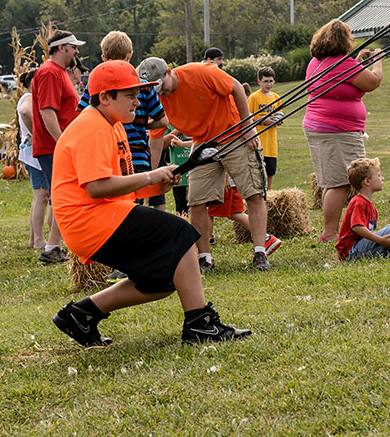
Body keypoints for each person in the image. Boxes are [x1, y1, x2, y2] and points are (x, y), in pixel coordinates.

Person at [50, 60, 250, 346]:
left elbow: (119, 183)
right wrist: (149, 176)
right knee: (181, 232)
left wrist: (158, 182)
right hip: (91, 221)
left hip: (104, 215)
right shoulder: (91, 127)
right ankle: (200, 324)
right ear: (105, 98)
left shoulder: (113, 125)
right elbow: (95, 187)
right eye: (131, 95)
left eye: (139, 93)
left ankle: (81, 314)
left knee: (161, 282)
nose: (140, 100)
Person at [137, 56, 275, 272]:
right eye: (154, 90)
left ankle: (260, 251)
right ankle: (205, 258)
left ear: (169, 72)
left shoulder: (201, 72)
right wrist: (155, 175)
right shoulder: (157, 98)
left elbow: (237, 87)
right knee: (196, 201)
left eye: (160, 86)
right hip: (202, 143)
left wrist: (247, 125)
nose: (160, 93)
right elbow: (155, 140)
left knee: (253, 193)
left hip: (233, 134)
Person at [79, 31, 168, 281]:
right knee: (135, 207)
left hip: (110, 153)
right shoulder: (144, 87)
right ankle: (136, 258)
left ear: (103, 56)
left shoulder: (97, 86)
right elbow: (163, 120)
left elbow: (82, 114)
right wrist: (142, 126)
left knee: (122, 208)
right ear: (130, 55)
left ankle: (129, 261)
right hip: (138, 153)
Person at [302, 19, 384, 242]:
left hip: (320, 127)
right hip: (337, 130)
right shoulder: (342, 64)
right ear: (345, 41)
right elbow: (372, 82)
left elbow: (345, 84)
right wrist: (378, 61)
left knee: (332, 181)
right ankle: (330, 233)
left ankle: (331, 230)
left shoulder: (316, 62)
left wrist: (357, 62)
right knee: (340, 182)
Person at [31, 30, 85, 264]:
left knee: (63, 196)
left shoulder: (59, 72)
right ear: (62, 48)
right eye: (74, 47)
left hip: (58, 146)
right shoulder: (50, 72)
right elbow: (47, 111)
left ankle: (54, 246)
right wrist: (63, 141)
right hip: (54, 147)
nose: (76, 51)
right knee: (65, 195)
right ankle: (52, 248)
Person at [17, 68, 58, 250]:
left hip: (31, 153)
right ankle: (40, 239)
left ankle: (34, 239)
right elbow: (26, 112)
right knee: (42, 197)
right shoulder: (28, 98)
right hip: (35, 154)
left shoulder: (29, 97)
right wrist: (37, 132)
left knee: (40, 197)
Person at [247, 66, 283, 189]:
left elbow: (279, 115)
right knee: (258, 174)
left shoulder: (276, 98)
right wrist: (263, 120)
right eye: (265, 81)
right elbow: (246, 119)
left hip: (271, 144)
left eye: (271, 81)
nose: (268, 84)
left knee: (270, 172)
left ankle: (268, 196)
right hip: (258, 142)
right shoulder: (254, 97)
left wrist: (278, 120)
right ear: (259, 82)